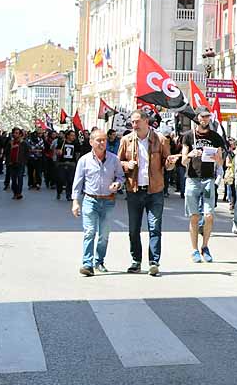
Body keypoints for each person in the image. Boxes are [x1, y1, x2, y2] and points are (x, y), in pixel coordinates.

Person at [118, 110, 178, 276]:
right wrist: (126, 165)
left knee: (154, 227)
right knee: (133, 228)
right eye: (133, 122)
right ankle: (136, 261)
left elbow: (168, 164)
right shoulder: (127, 140)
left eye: (137, 121)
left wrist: (171, 163)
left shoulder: (160, 139)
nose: (134, 125)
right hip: (134, 190)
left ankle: (154, 262)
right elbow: (118, 162)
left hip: (155, 191)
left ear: (146, 122)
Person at [71, 129, 124, 276]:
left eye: (104, 140)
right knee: (89, 232)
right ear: (91, 142)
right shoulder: (84, 160)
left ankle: (99, 261)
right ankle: (87, 264)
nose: (102, 143)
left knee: (104, 235)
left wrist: (117, 185)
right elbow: (78, 182)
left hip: (108, 201)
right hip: (90, 200)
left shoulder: (114, 159)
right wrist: (75, 202)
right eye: (99, 140)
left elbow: (120, 177)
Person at [181, 110, 227, 263]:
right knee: (194, 216)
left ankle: (205, 246)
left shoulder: (215, 137)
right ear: (197, 118)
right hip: (193, 179)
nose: (205, 119)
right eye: (202, 116)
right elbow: (183, 161)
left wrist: (216, 158)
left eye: (207, 116)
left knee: (209, 216)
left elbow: (221, 162)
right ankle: (194, 249)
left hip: (208, 179)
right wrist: (190, 155)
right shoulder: (189, 136)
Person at [54, 130, 80, 201]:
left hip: (71, 164)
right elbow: (56, 151)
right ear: (68, 136)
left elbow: (77, 153)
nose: (73, 137)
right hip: (62, 163)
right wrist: (58, 152)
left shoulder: (76, 143)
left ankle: (69, 195)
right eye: (71, 135)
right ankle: (59, 191)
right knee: (61, 179)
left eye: (74, 135)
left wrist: (77, 162)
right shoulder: (62, 142)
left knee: (70, 180)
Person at [6, 128, 29, 200]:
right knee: (13, 179)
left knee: (20, 178)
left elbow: (27, 153)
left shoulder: (23, 143)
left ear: (20, 134)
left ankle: (19, 193)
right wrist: (11, 148)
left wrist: (24, 162)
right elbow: (6, 152)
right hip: (12, 163)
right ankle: (15, 192)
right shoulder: (10, 142)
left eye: (17, 133)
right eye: (14, 133)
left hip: (20, 163)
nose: (15, 134)